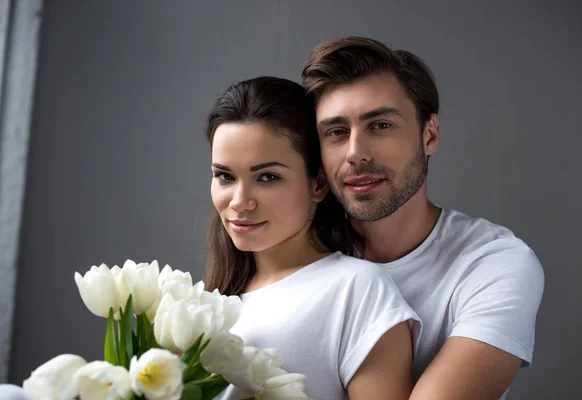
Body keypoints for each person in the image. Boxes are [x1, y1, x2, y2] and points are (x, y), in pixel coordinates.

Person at [301, 36, 545, 400]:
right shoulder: (296, 254)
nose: (355, 153)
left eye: (380, 125)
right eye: (336, 132)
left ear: (429, 135)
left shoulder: (495, 264)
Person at [203, 76, 421, 400]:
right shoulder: (206, 302)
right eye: (225, 176)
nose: (239, 201)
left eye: (268, 177)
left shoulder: (357, 290)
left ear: (318, 184)